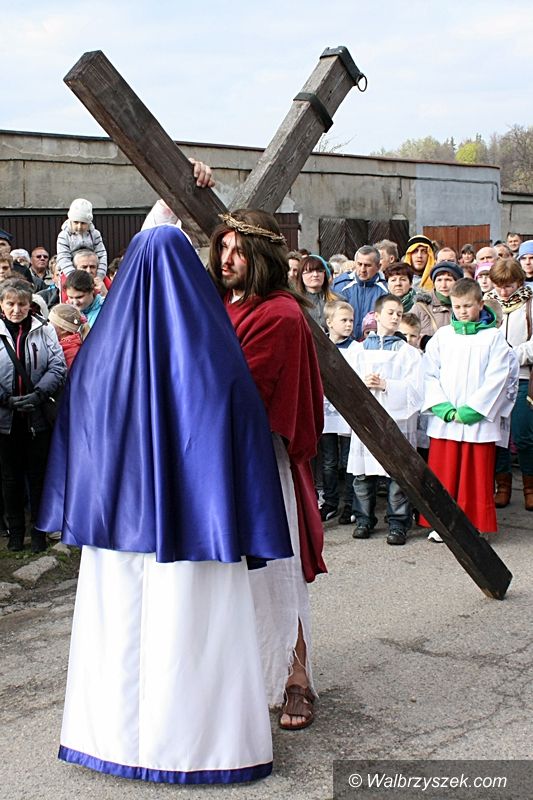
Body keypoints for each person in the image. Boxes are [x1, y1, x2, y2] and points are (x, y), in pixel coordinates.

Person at [37, 224, 294, 784]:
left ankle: (106, 739)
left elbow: (80, 437)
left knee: (117, 626)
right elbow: (239, 429)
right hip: (199, 525)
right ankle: (203, 748)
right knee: (195, 629)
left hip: (116, 528)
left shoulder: (97, 358)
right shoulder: (217, 357)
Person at [208, 209, 326, 731]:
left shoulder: (280, 314)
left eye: (238, 250)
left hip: (260, 462)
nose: (226, 258)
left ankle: (296, 678)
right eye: (222, 247)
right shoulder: (218, 303)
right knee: (227, 579)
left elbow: (242, 394)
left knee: (275, 573)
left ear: (260, 256)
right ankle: (240, 678)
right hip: (214, 459)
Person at [421, 278, 514, 540]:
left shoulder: (493, 338)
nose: (462, 311)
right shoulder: (443, 336)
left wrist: (474, 410)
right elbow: (428, 373)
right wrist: (442, 407)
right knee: (445, 473)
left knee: (476, 475)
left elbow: (499, 377)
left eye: (467, 306)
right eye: (457, 306)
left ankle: (475, 525)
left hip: (477, 421)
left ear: (480, 304)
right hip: (446, 419)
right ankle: (443, 525)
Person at [346, 294, 423, 546]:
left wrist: (387, 385)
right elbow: (347, 381)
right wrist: (362, 383)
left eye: (399, 314)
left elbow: (416, 390)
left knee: (397, 475)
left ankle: (398, 523)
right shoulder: (358, 350)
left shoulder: (409, 353)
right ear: (377, 316)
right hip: (366, 419)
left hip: (396, 422)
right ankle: (363, 519)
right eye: (390, 312)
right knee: (363, 474)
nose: (395, 317)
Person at [0, 278, 66, 552]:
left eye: (22, 304)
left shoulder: (44, 329)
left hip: (36, 417)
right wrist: (6, 400)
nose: (16, 310)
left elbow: (57, 365)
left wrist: (39, 394)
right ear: (2, 304)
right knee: (10, 478)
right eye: (10, 304)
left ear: (30, 305)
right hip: (5, 419)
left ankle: (39, 531)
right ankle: (15, 532)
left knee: (38, 477)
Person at [486, 258, 533, 510]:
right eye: (499, 286)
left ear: (519, 282)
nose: (504, 292)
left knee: (524, 435)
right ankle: (502, 486)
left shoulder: (530, 304)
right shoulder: (487, 303)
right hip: (493, 380)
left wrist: (512, 355)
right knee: (497, 437)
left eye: (509, 286)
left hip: (523, 377)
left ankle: (529, 488)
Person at [319, 299, 357, 525]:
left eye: (351, 320)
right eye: (344, 320)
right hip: (326, 412)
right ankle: (330, 502)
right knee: (329, 461)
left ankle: (350, 504)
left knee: (348, 461)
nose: (349, 324)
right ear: (330, 322)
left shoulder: (356, 349)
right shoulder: (320, 346)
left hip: (348, 413)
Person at [340, 245, 387, 339]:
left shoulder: (386, 290)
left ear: (378, 267)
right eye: (359, 264)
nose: (362, 270)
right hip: (346, 343)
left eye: (367, 265)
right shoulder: (341, 286)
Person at [410, 261, 463, 342]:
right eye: (439, 280)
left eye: (448, 280)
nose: (443, 285)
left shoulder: (465, 306)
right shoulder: (421, 307)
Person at [56, 198, 107, 279]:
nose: (79, 226)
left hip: (93, 272)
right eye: (76, 222)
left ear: (89, 223)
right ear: (70, 221)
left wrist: (100, 275)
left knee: (109, 285)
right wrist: (74, 277)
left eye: (83, 223)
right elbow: (63, 258)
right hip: (69, 273)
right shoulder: (64, 236)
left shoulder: (95, 234)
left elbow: (102, 255)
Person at [294, 254, 338, 330]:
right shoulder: (295, 302)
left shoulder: (338, 300)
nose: (315, 275)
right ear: (301, 275)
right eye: (309, 271)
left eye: (319, 271)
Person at [48, 304, 89, 369]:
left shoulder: (69, 351)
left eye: (50, 323)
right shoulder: (63, 344)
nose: (47, 325)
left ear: (64, 330)